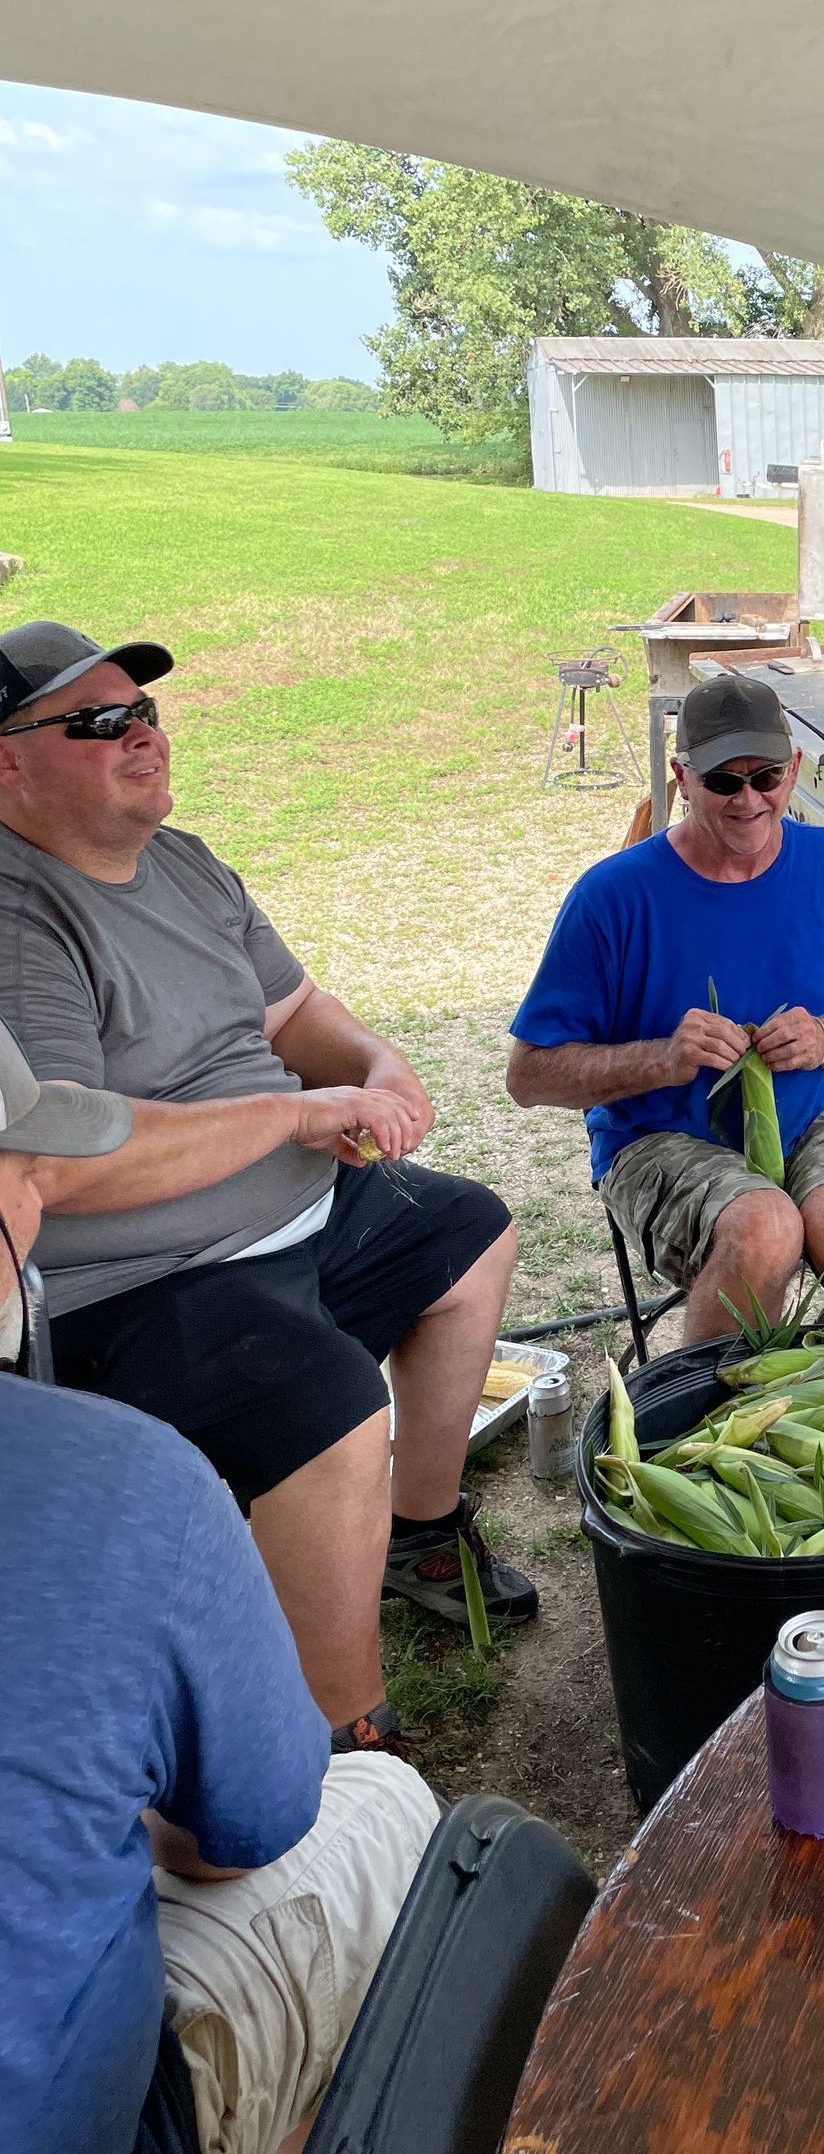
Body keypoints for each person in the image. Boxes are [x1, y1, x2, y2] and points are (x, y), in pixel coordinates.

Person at [0, 621, 536, 1754]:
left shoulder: (184, 861)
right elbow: (59, 1159)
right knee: (328, 1403)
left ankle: (418, 1535)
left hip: (298, 1210)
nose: (142, 734)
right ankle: (344, 1739)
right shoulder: (18, 917)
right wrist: (296, 1113)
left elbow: (295, 1013)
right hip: (143, 1281)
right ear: (9, 760)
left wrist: (377, 1067)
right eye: (100, 721)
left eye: (142, 710)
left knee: (470, 1232)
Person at [0, 1027, 440, 2154]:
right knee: (384, 1806)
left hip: (298, 1228)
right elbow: (240, 1832)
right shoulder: (117, 1481)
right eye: (26, 1175)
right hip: (96, 2121)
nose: (37, 1206)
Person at [508, 670, 824, 1343]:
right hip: (661, 1140)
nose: (749, 800)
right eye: (722, 782)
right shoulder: (614, 896)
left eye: (766, 777)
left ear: (794, 769)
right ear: (683, 777)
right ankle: (708, 1425)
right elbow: (530, 1076)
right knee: (764, 1228)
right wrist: (663, 1058)